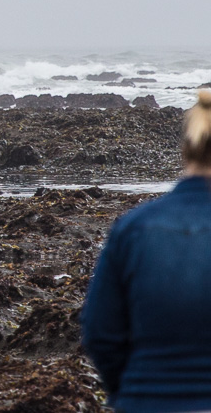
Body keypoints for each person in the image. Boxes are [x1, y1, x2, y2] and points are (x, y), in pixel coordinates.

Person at [82, 90, 211, 413]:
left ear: (185, 149)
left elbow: (100, 334)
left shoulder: (133, 228)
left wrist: (130, 393)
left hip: (146, 397)